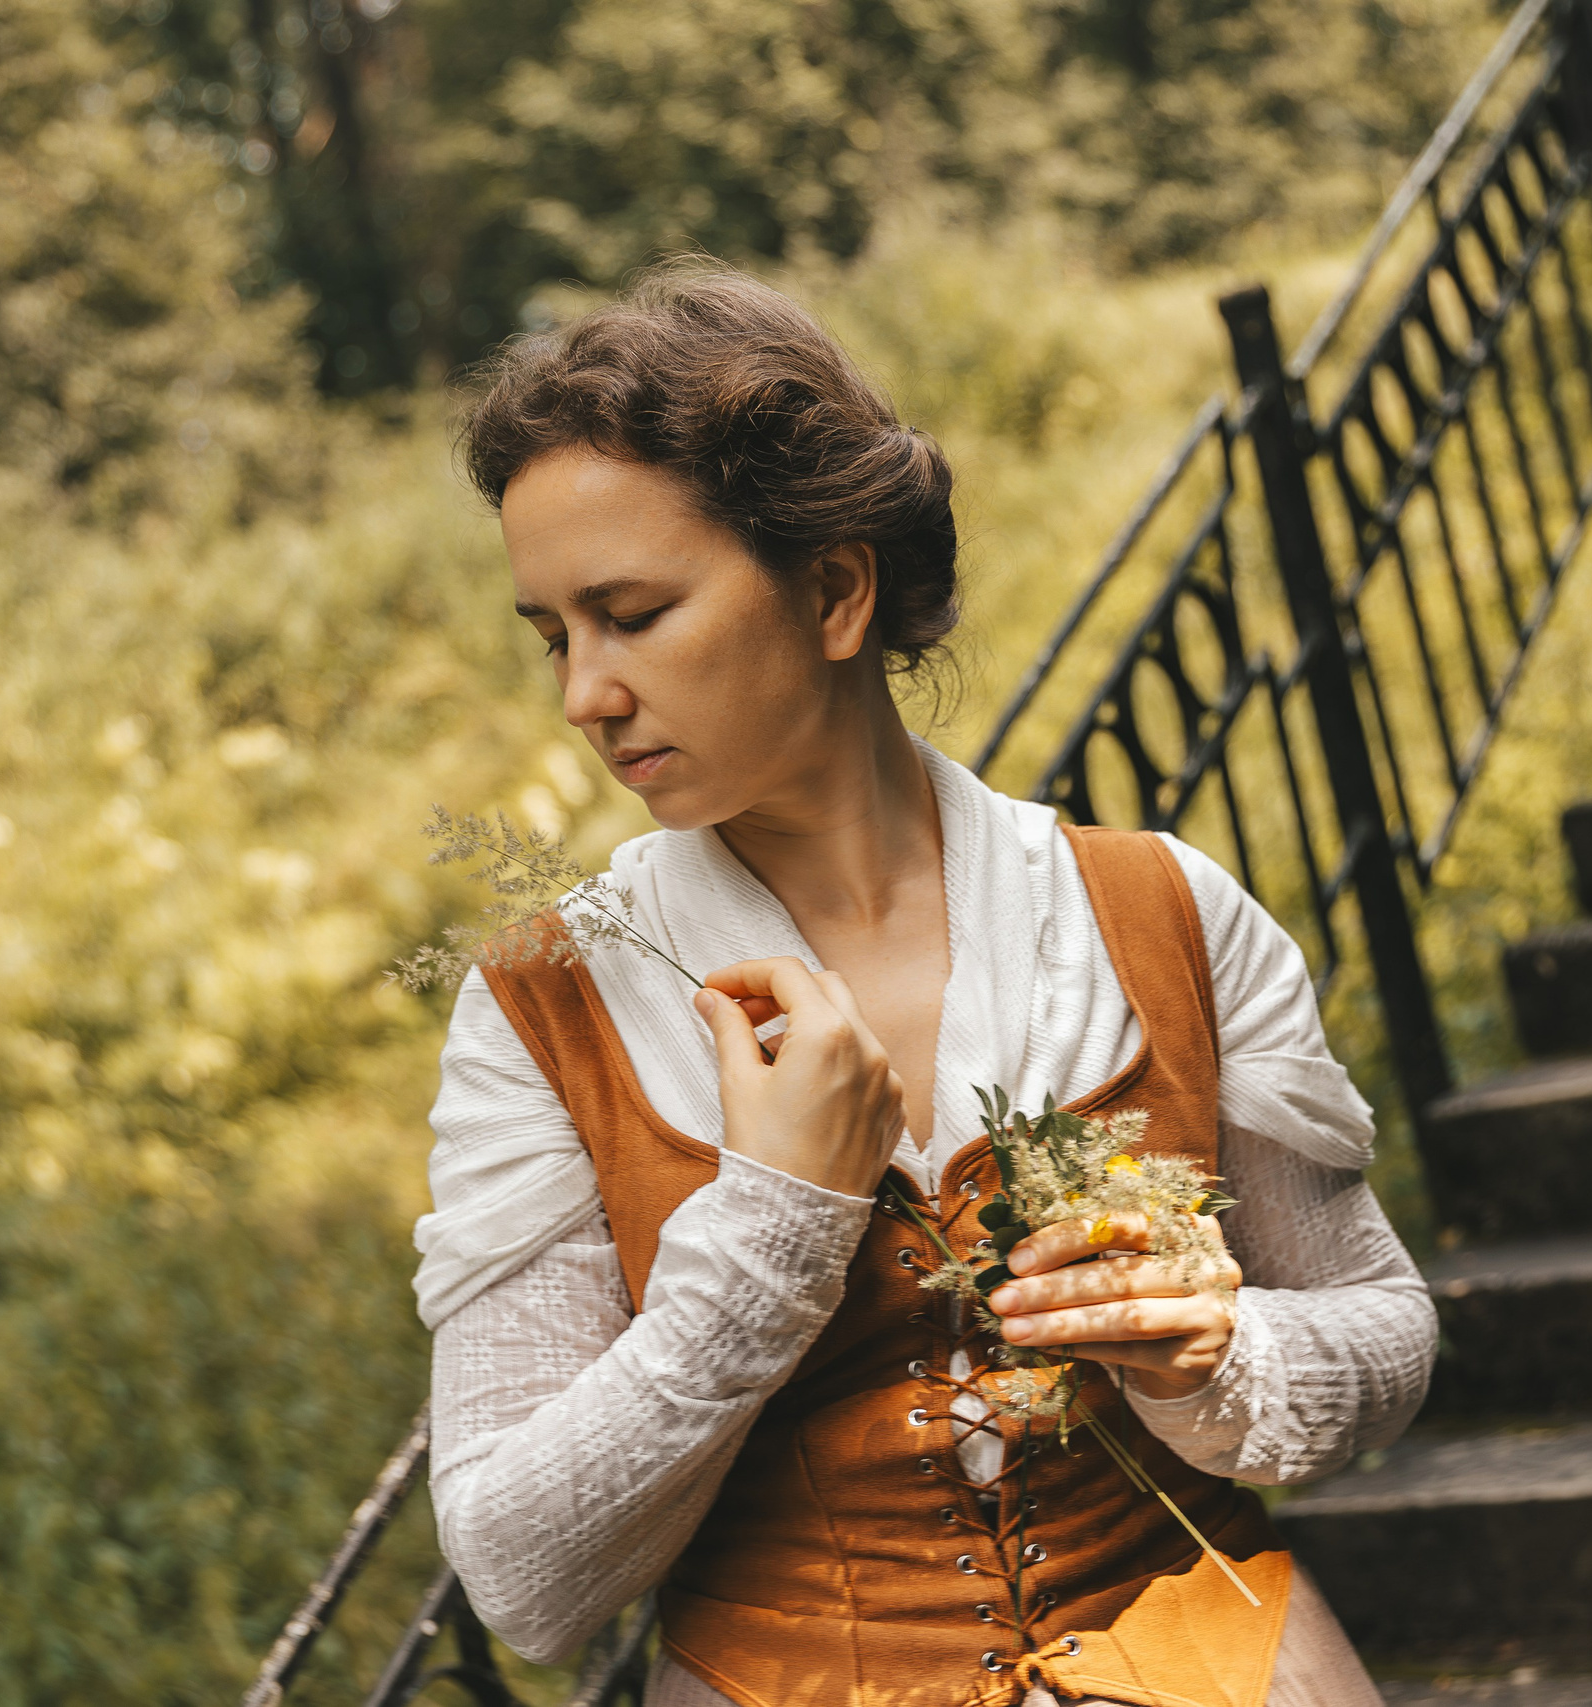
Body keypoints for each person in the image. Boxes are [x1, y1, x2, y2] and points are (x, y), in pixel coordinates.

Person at [414, 259, 1435, 1707]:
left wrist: (1220, 1348)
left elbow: (1385, 1330)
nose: (583, 694)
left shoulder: (1158, 913)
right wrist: (778, 1224)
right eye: (553, 637)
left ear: (834, 590)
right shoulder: (546, 1015)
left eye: (630, 615)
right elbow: (522, 1578)